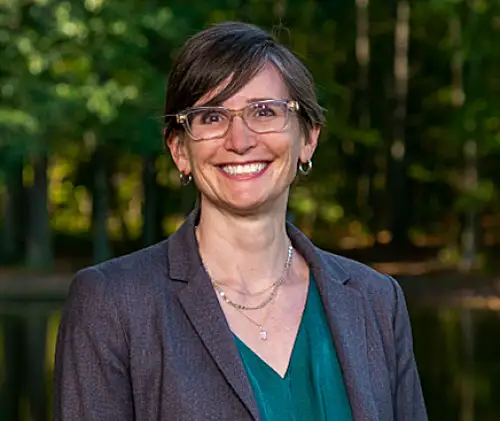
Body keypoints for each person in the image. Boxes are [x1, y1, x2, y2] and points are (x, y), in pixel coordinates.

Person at [53, 21, 428, 421]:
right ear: (180, 149)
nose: (240, 139)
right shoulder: (112, 303)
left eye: (264, 111)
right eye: (212, 117)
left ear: (308, 138)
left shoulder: (376, 301)